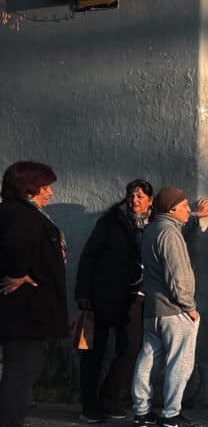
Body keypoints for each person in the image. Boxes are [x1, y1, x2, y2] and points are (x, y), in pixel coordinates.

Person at [75, 179, 154, 423]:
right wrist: (83, 294)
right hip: (102, 297)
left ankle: (108, 399)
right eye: (132, 195)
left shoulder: (155, 225)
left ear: (150, 200)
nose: (135, 199)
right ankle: (89, 406)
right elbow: (89, 257)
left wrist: (195, 214)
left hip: (134, 300)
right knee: (93, 353)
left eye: (141, 196)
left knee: (130, 350)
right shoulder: (111, 222)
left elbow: (177, 224)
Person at [131, 186, 208, 427]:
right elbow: (178, 274)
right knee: (180, 362)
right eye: (185, 206)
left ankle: (141, 412)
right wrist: (189, 306)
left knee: (147, 359)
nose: (189, 210)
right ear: (172, 208)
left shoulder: (152, 229)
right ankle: (171, 415)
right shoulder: (170, 233)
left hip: (154, 309)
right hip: (176, 311)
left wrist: (196, 217)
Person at [0, 162, 66, 427]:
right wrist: (21, 273)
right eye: (45, 187)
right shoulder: (21, 215)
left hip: (24, 311)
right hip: (23, 311)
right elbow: (16, 248)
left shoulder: (16, 212)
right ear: (29, 189)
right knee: (21, 370)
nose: (49, 193)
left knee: (26, 367)